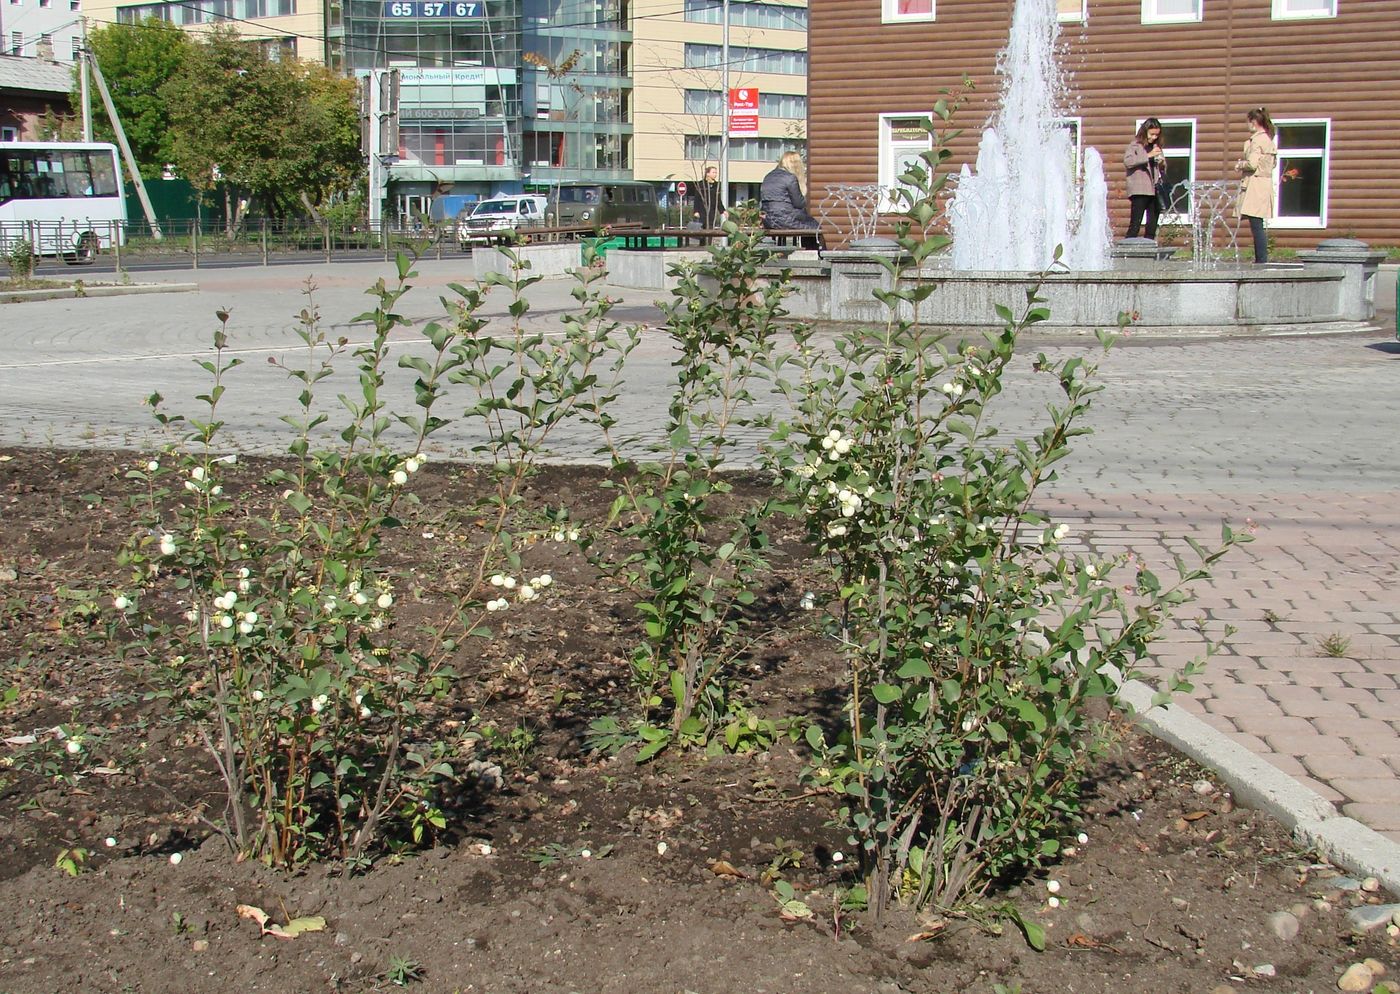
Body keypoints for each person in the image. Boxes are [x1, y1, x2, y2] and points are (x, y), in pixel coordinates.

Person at [1235, 106, 1278, 264]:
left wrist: (1240, 165)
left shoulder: (1257, 140)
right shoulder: (1268, 139)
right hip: (1264, 184)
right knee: (1257, 223)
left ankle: (1261, 260)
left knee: (1256, 225)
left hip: (1255, 185)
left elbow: (1252, 164)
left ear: (1253, 122)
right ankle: (1261, 259)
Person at [760, 150, 822, 247]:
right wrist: (805, 196)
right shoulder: (790, 178)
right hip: (784, 218)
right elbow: (799, 203)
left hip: (768, 219)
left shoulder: (768, 176)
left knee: (806, 222)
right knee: (815, 226)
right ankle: (813, 254)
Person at [1123, 117, 1167, 240]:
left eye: (1156, 135)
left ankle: (1149, 250)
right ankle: (1127, 252)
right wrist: (1148, 156)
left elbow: (1162, 169)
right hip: (1140, 190)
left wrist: (1162, 163)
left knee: (1152, 225)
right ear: (1145, 131)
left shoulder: (1157, 147)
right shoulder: (1135, 146)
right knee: (1135, 225)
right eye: (1152, 134)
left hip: (1154, 190)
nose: (1154, 137)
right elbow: (1128, 162)